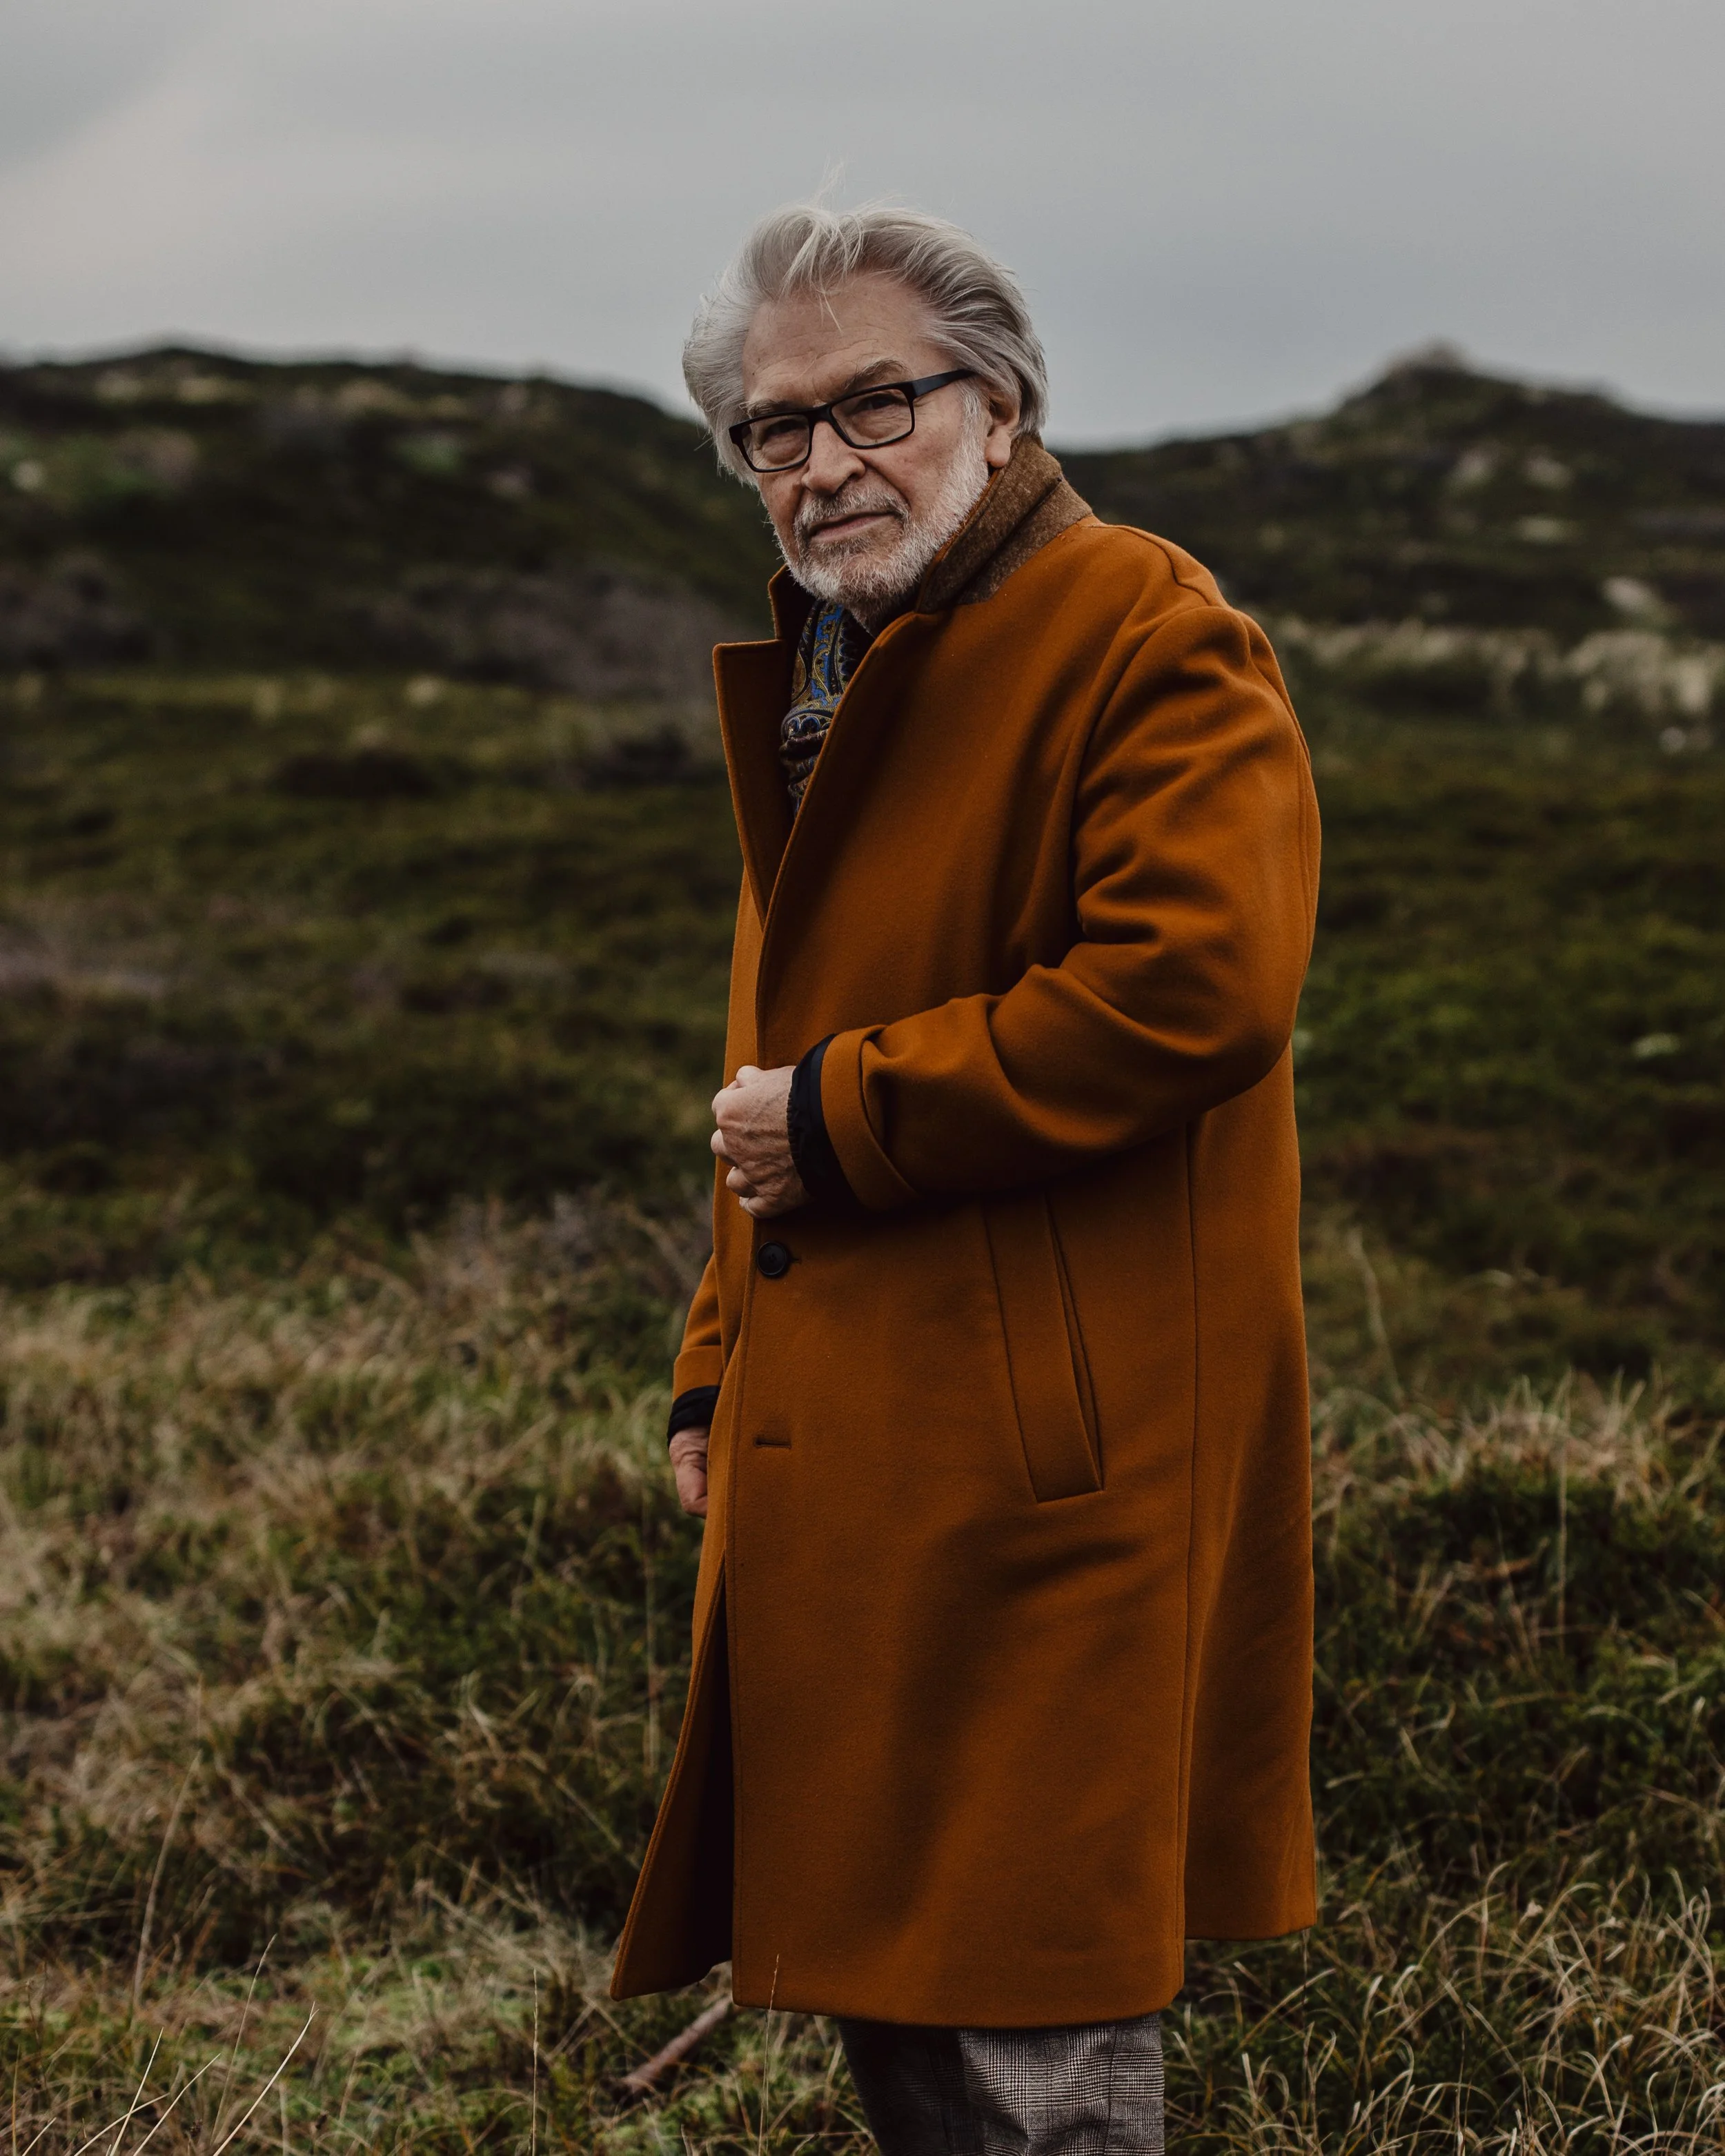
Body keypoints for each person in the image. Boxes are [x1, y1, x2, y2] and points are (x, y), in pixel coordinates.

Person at [609, 202, 1321, 2156]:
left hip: (1049, 1473)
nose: (822, 461)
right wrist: (709, 1355)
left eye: (876, 402)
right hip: (860, 1451)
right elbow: (766, 1063)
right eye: (774, 428)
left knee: (1035, 2042)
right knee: (899, 2009)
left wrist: (847, 1118)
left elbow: (1196, 985)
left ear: (998, 408)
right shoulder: (846, 663)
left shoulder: (1143, 624)